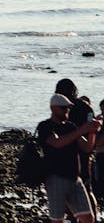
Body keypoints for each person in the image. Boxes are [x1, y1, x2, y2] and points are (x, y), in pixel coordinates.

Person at [37, 93, 101, 223]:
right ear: (53, 108)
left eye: (68, 108)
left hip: (75, 179)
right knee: (57, 220)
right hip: (55, 178)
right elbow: (57, 143)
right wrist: (81, 130)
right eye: (64, 108)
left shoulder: (70, 126)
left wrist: (92, 131)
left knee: (88, 218)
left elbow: (87, 148)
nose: (67, 111)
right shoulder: (45, 126)